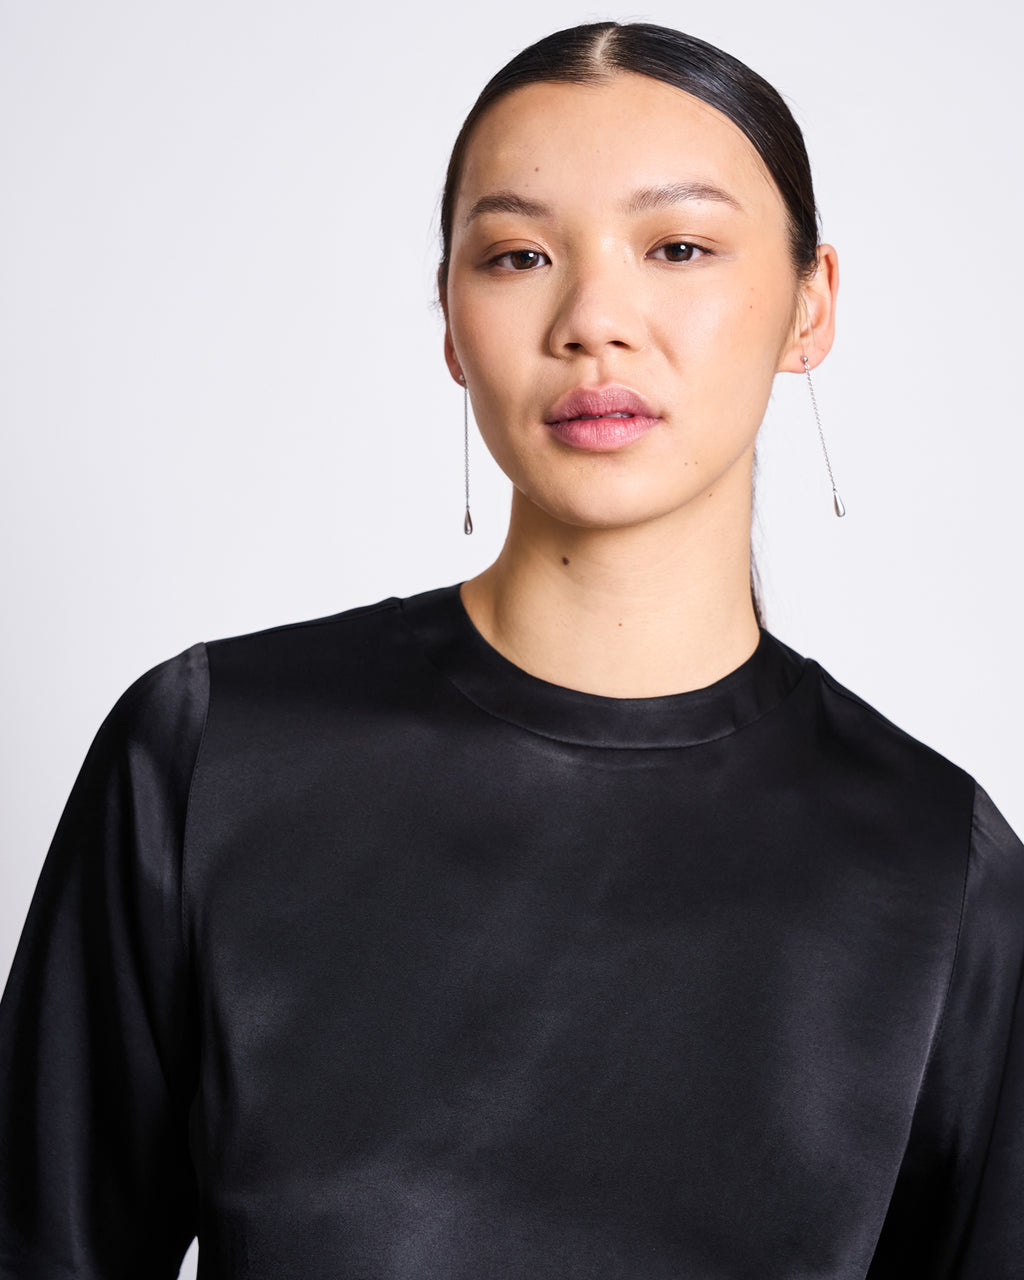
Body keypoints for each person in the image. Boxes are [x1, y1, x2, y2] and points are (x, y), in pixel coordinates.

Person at [1, 19, 1021, 1278]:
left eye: (679, 246)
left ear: (810, 304)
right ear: (448, 318)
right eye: (519, 253)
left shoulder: (939, 865)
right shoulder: (210, 750)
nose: (595, 318)